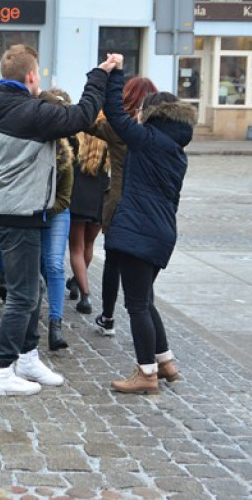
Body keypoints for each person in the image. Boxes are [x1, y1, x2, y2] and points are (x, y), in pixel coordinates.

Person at [0, 46, 117, 396]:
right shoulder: (31, 113)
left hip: (3, 209)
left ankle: (27, 357)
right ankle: (2, 371)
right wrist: (100, 74)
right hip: (18, 213)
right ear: (32, 76)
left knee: (32, 288)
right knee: (23, 295)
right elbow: (83, 116)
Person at [103, 59, 195, 394]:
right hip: (160, 232)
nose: (136, 114)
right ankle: (165, 361)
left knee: (137, 305)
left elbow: (114, 114)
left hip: (139, 230)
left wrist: (114, 75)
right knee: (146, 299)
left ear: (151, 113)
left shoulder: (146, 140)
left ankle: (146, 373)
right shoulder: (175, 148)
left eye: (141, 109)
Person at [88, 76, 158, 337]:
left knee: (113, 262)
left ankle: (107, 317)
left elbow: (88, 122)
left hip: (118, 203)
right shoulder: (158, 133)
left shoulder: (117, 128)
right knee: (144, 264)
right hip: (148, 207)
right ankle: (147, 318)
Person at [37, 89, 74, 352]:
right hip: (29, 212)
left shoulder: (64, 154)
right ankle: (31, 319)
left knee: (54, 264)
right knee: (37, 265)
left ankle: (55, 324)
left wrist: (46, 211)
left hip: (56, 212)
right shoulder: (27, 149)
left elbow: (64, 198)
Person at [65, 129, 110, 315]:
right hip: (100, 195)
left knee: (76, 247)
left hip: (77, 194)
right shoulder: (107, 140)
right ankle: (77, 281)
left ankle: (85, 294)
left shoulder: (75, 138)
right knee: (89, 244)